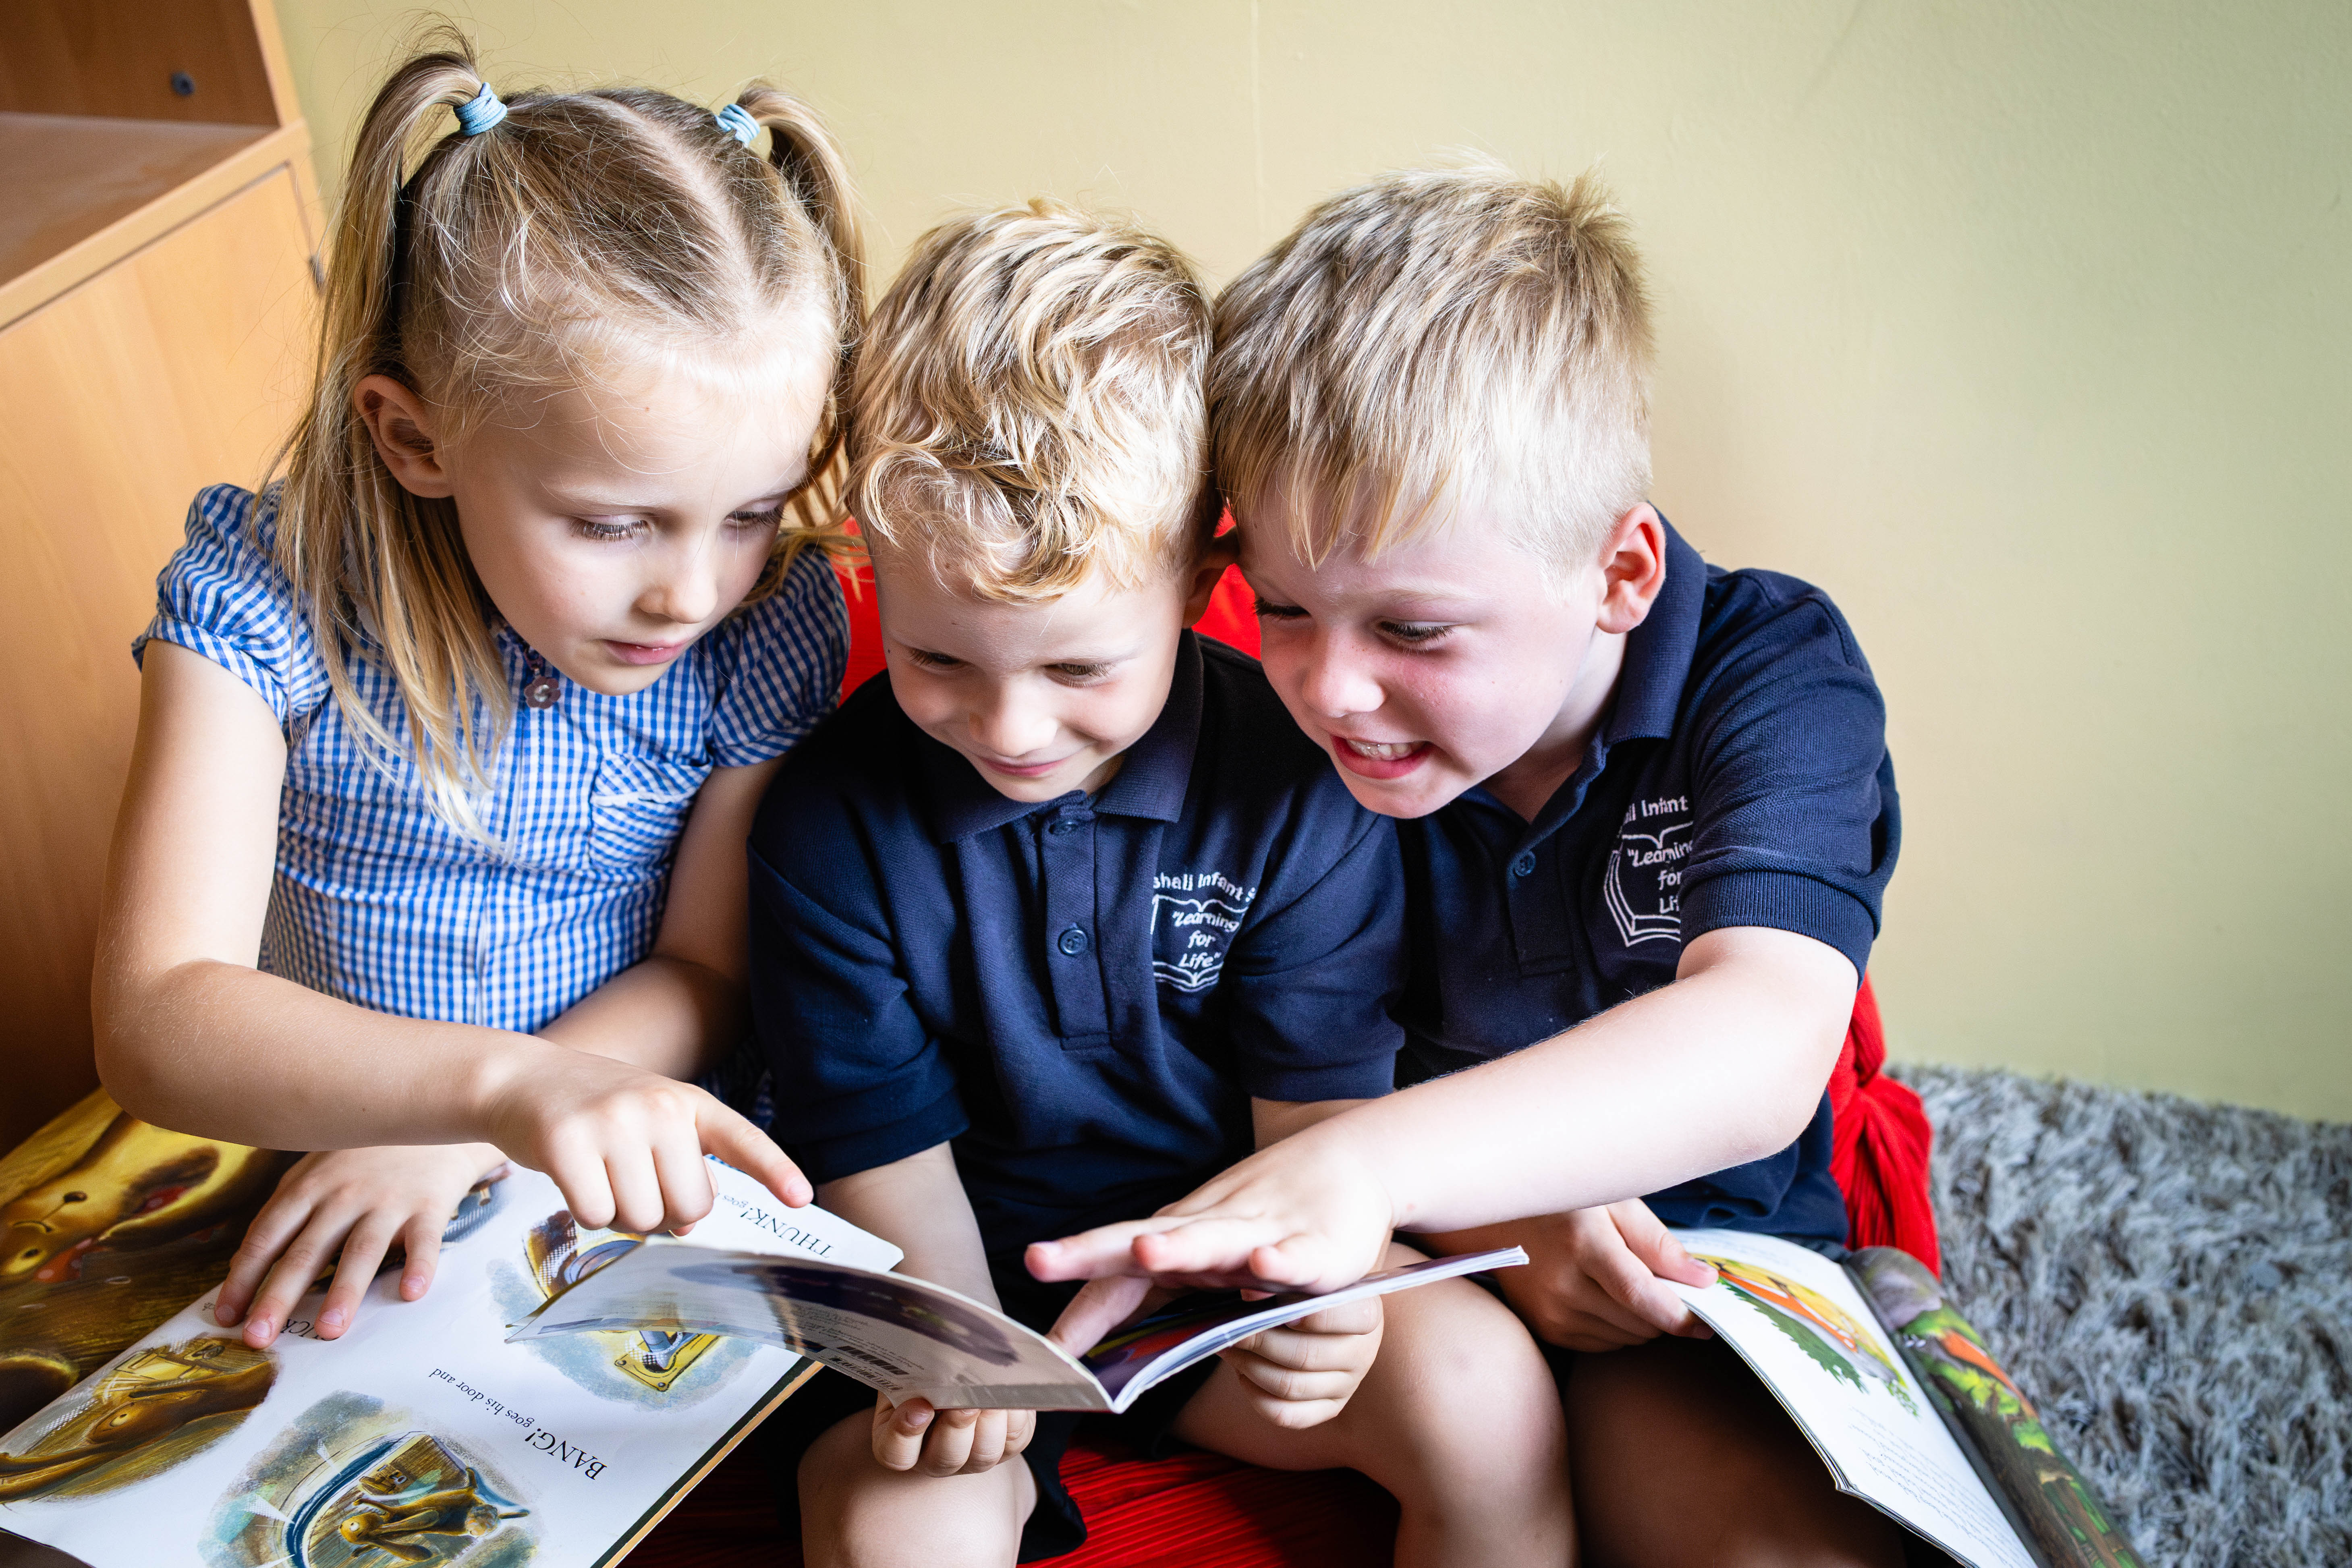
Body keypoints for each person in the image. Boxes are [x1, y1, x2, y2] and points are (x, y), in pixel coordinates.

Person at [1032, 165, 1914, 1567]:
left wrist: (1373, 1168)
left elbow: (1763, 1040)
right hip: (1402, 1261)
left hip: (1686, 1285)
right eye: (1285, 605)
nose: (1332, 689)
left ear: (1620, 576)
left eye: (1415, 631)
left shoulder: (1770, 672)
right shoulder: (1272, 743)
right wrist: (1475, 1214)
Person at [747, 201, 1570, 1568]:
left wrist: (1319, 1295)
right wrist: (963, 1368)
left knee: (1487, 1400)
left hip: (1220, 1270)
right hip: (957, 1293)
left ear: (1198, 575)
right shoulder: (828, 824)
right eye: (939, 658)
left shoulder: (1297, 786)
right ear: (869, 560)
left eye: (1079, 667)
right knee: (896, 1526)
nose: (1011, 726)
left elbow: (1316, 1137)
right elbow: (883, 1168)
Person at [90, 37, 860, 1351]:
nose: (691, 592)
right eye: (612, 524)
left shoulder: (765, 619)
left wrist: (480, 1133)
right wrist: (482, 1095)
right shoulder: (261, 598)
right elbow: (156, 1010)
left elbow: (707, 969)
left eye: (750, 512)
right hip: (326, 1138)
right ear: (415, 437)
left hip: (615, 1151)